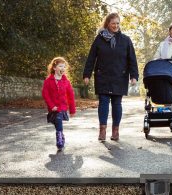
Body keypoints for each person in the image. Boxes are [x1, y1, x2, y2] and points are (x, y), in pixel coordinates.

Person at [83, 12, 139, 142]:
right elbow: (91, 57)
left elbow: (132, 59)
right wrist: (87, 74)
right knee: (103, 102)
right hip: (102, 75)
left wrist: (134, 75)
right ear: (107, 24)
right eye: (113, 23)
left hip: (120, 76)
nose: (116, 26)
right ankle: (102, 130)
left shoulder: (125, 40)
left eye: (118, 23)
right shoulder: (99, 39)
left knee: (116, 103)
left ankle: (115, 131)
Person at [42, 57, 76, 151]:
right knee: (56, 121)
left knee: (58, 119)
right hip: (52, 108)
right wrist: (51, 105)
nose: (63, 68)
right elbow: (45, 94)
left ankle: (59, 138)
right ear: (54, 68)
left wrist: (72, 110)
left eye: (64, 66)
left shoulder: (66, 82)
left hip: (62, 107)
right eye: (60, 66)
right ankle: (61, 134)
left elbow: (71, 96)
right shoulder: (48, 81)